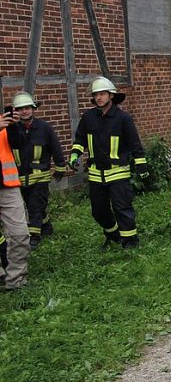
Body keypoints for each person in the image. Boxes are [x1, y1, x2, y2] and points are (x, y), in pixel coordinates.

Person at [69, 77, 148, 249]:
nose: (99, 97)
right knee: (98, 211)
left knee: (122, 208)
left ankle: (131, 242)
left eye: (102, 94)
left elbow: (135, 143)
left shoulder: (123, 118)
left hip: (118, 172)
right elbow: (80, 139)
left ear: (111, 95)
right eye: (96, 94)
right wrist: (75, 155)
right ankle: (113, 235)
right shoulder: (88, 117)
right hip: (96, 174)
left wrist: (141, 164)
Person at [7, 92, 66, 248]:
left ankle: (34, 236)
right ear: (16, 111)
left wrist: (60, 167)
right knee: (36, 207)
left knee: (34, 206)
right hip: (21, 179)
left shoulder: (45, 128)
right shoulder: (12, 130)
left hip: (40, 177)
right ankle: (46, 226)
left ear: (33, 109)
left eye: (27, 108)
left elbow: (56, 148)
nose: (24, 111)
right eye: (20, 109)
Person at [0, 106, 30, 290]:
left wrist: (13, 126)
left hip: (7, 186)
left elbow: (19, 143)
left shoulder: (4, 118)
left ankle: (16, 280)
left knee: (20, 234)